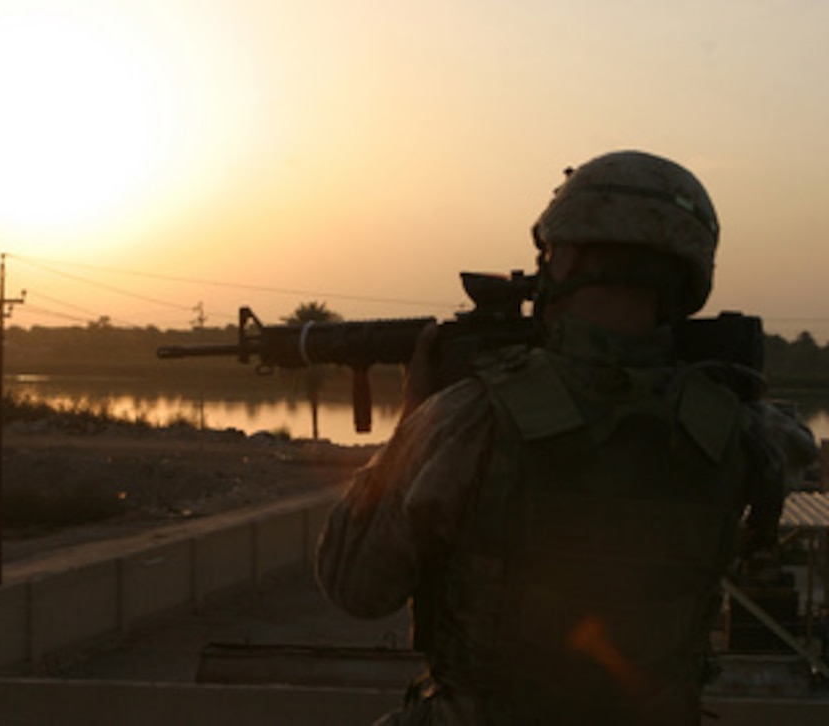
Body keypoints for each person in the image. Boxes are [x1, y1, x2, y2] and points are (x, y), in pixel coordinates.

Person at [316, 150, 784, 725]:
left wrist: (413, 417)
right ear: (690, 273)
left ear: (568, 257)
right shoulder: (743, 434)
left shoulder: (469, 419)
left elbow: (356, 588)